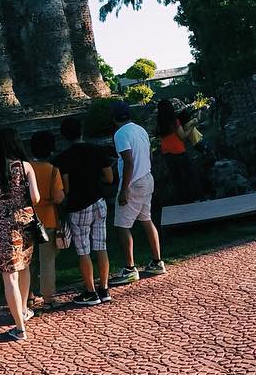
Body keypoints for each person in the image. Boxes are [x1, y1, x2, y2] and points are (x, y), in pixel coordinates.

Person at [0, 127, 42, 342]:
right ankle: (22, 309)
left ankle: (20, 328)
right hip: (24, 221)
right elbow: (36, 197)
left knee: (9, 275)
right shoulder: (25, 166)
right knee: (24, 267)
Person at [54, 117, 114, 306]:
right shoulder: (97, 150)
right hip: (99, 201)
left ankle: (90, 291)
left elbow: (66, 187)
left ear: (64, 136)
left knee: (83, 250)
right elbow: (110, 178)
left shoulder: (63, 158)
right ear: (81, 131)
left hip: (79, 205)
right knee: (101, 245)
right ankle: (104, 288)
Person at [110, 102, 165, 285]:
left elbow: (128, 161)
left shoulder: (120, 134)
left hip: (133, 182)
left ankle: (130, 268)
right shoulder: (140, 130)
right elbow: (148, 155)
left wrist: (124, 188)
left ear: (114, 118)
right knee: (146, 219)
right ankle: (157, 261)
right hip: (147, 177)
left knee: (122, 225)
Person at [26, 130, 65, 311]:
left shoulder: (25, 168)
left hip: (28, 219)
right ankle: (49, 298)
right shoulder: (52, 170)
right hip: (48, 219)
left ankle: (28, 295)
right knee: (47, 261)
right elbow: (58, 198)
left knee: (28, 261)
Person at [156, 98, 200, 203]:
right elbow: (182, 136)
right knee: (191, 175)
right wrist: (192, 126)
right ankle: (196, 198)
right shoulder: (174, 120)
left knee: (177, 179)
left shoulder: (160, 123)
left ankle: (182, 201)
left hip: (167, 153)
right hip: (179, 151)